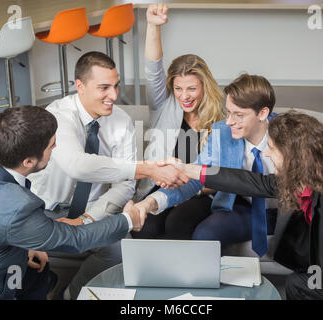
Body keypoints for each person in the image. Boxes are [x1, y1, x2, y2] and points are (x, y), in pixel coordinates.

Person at [171, 111, 323, 299]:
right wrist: (190, 170)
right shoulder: (306, 179)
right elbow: (247, 181)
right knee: (298, 284)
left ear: (294, 157)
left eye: (273, 149)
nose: (266, 153)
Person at [27, 51, 188, 300]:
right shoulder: (57, 116)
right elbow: (78, 166)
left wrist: (87, 219)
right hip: (44, 210)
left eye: (116, 86)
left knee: (121, 251)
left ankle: (71, 295)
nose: (114, 96)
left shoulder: (121, 121)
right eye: (104, 87)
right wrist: (147, 167)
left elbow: (125, 186)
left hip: (91, 209)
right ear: (80, 86)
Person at [0, 106, 142, 300]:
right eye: (51, 145)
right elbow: (75, 239)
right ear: (28, 161)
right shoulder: (16, 207)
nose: (55, 147)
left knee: (38, 271)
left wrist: (23, 246)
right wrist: (128, 220)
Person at [133, 74, 278, 256]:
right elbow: (194, 178)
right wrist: (148, 202)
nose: (229, 121)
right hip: (242, 207)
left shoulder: (288, 134)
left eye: (239, 115)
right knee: (205, 234)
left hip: (280, 212)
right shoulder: (222, 133)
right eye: (228, 112)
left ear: (263, 113)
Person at [132, 3, 225, 239]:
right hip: (159, 186)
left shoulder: (221, 118)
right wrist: (153, 26)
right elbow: (153, 70)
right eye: (178, 88)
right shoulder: (164, 105)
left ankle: (180, 275)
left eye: (192, 88)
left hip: (201, 192)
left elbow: (222, 175)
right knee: (146, 229)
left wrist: (187, 188)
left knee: (178, 223)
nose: (185, 96)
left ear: (205, 87)